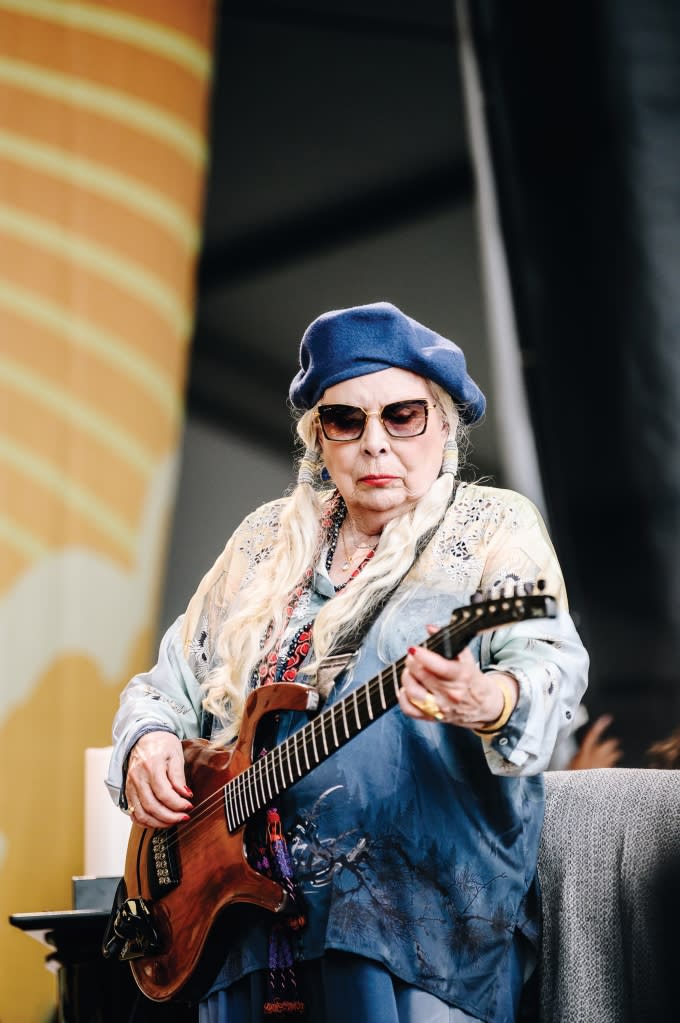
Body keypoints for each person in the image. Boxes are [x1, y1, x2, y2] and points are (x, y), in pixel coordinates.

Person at [107, 302, 589, 1023]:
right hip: (240, 925)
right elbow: (163, 685)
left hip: (419, 924)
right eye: (346, 420)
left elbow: (551, 671)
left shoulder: (495, 527)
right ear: (319, 437)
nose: (375, 443)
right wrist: (145, 740)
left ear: (444, 422)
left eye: (402, 415)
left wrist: (487, 698)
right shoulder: (264, 540)